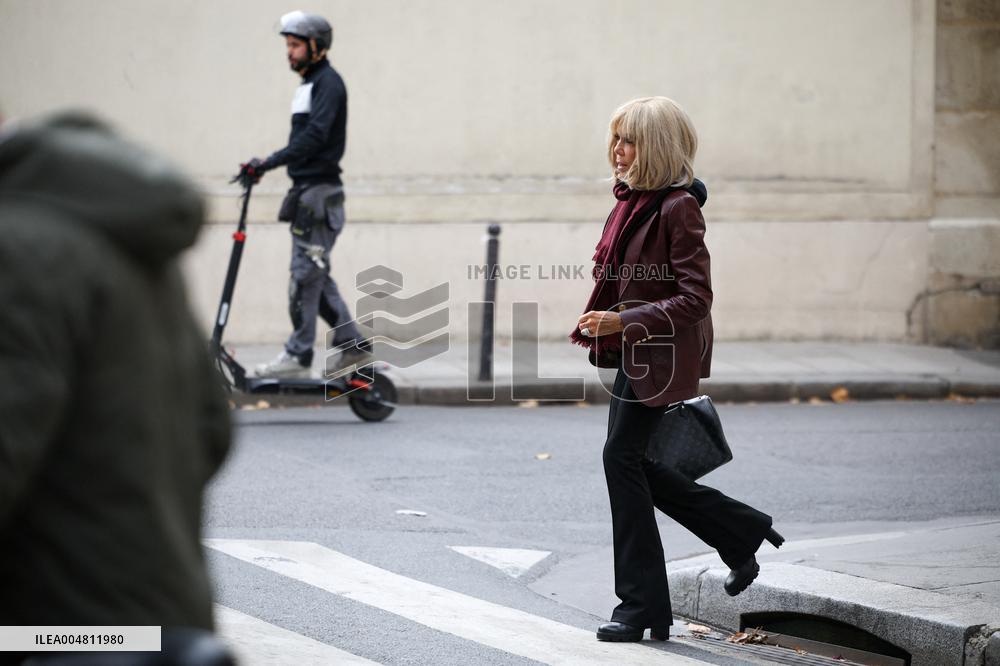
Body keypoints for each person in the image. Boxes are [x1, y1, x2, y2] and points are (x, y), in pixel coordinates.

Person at [0, 113, 233, 663]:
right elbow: (213, 428)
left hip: (58, 627)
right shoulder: (129, 245)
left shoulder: (18, 250)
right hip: (165, 614)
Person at [570, 97, 783, 643]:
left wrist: (625, 322)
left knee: (621, 459)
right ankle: (739, 533)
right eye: (615, 139)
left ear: (658, 148)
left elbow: (696, 298)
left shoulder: (677, 207)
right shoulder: (631, 201)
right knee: (631, 461)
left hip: (659, 355)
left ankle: (640, 606)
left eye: (630, 141)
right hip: (637, 350)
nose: (617, 152)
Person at [238, 10, 371, 379]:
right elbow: (303, 141)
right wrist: (267, 166)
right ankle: (354, 349)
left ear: (316, 46)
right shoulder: (309, 86)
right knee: (314, 277)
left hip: (320, 195)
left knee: (304, 277)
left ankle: (297, 357)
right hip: (308, 194)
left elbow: (313, 137)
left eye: (295, 45)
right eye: (288, 45)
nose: (289, 52)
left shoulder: (328, 83)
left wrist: (267, 163)